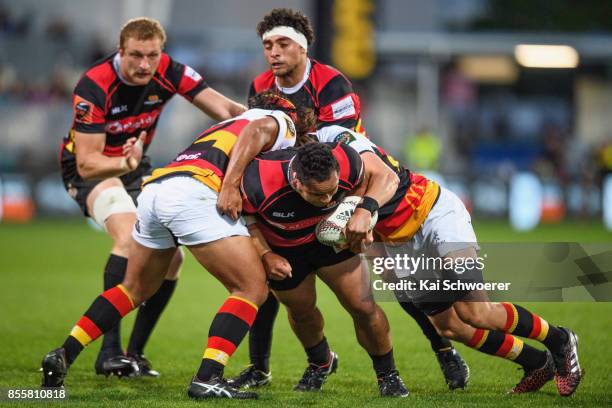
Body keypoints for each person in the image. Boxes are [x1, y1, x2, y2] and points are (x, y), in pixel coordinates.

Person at [226, 7, 468, 391]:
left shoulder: (330, 82)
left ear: (303, 48)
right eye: (268, 45)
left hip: (344, 187)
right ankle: (260, 367)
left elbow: (340, 148)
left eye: (283, 44)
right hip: (292, 188)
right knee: (264, 278)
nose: (273, 52)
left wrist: (355, 207)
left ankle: (444, 351)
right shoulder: (260, 86)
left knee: (394, 279)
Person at [43, 92, 315, 400]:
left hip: (158, 189)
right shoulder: (280, 122)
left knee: (133, 288)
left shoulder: (229, 124)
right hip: (195, 192)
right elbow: (257, 133)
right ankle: (208, 378)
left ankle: (64, 352)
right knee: (251, 288)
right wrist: (229, 185)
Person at [317, 126, 583, 396]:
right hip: (399, 244)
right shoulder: (308, 174)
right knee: (450, 326)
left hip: (435, 214)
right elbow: (364, 240)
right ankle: (536, 363)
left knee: (477, 312)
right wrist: (357, 242)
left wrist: (364, 211)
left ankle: (560, 340)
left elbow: (387, 178)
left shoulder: (340, 141)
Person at [59, 17, 246, 377]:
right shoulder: (95, 85)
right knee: (129, 238)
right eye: (136, 56)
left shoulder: (170, 71)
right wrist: (125, 159)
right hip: (91, 170)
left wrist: (266, 119)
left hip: (133, 165)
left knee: (172, 258)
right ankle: (108, 353)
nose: (144, 64)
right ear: (121, 51)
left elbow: (225, 110)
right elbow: (86, 162)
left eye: (152, 55)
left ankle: (134, 354)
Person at [236, 142, 410, 397]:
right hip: (285, 250)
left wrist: (359, 214)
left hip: (333, 242)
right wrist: (266, 255)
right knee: (301, 311)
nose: (328, 199)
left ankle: (389, 375)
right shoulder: (258, 180)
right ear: (297, 182)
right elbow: (247, 221)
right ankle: (320, 363)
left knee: (363, 307)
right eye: (318, 195)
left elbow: (363, 184)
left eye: (333, 190)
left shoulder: (347, 159)